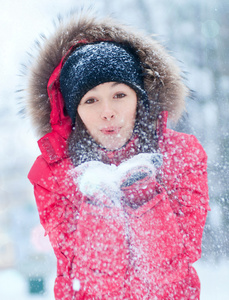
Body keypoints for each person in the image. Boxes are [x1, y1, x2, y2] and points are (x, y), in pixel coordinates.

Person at [26, 13, 210, 300]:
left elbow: (172, 272)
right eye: (91, 100)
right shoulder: (54, 175)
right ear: (75, 114)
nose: (107, 111)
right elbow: (87, 281)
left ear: (140, 97)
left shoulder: (181, 155)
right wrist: (100, 205)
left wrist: (143, 196)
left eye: (119, 95)